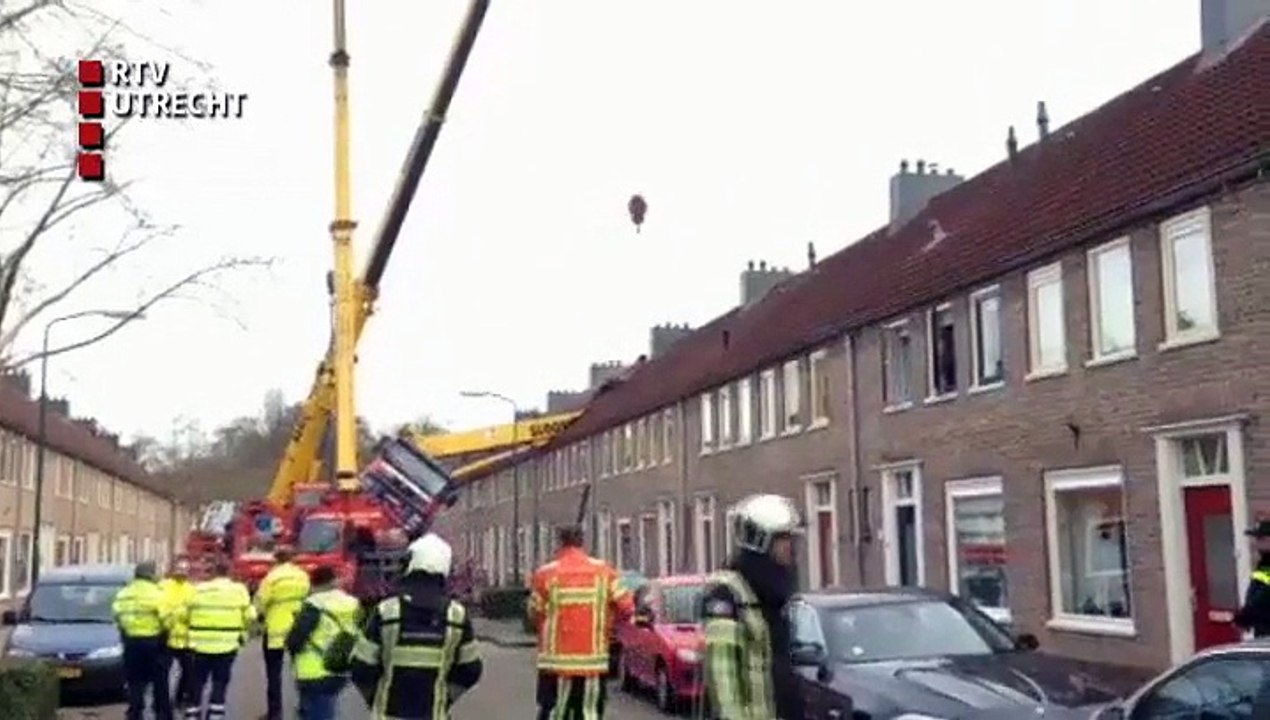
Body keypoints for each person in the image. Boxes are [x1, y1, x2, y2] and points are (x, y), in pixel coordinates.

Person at [349, 533, 483, 719]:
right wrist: (445, 699)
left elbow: (361, 667)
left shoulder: (387, 612)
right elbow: (471, 669)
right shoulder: (456, 615)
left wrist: (375, 699)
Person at [701, 494, 804, 720]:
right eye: (782, 538)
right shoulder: (727, 595)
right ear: (761, 541)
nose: (790, 547)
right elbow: (723, 679)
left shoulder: (776, 594)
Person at [527, 524, 634, 720]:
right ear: (582, 542)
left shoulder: (545, 574)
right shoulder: (605, 572)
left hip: (554, 663)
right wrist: (609, 626)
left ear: (560, 542)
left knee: (553, 712)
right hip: (592, 662)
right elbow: (626, 608)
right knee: (588, 713)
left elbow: (534, 613)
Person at [285, 564, 361, 720]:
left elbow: (296, 639)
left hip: (313, 669)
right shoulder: (353, 602)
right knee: (324, 706)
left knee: (317, 711)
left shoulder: (314, 604)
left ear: (314, 584)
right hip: (341, 666)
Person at [184, 559, 256, 720]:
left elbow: (184, 613)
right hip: (227, 643)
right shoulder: (238, 590)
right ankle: (215, 715)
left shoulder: (198, 589)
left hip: (199, 643)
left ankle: (192, 714)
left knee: (197, 682)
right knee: (220, 682)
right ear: (229, 572)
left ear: (213, 573)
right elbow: (251, 615)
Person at [254, 546, 311, 720]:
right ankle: (305, 708)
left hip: (276, 631)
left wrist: (259, 617)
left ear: (276, 559)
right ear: (292, 558)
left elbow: (261, 601)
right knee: (302, 670)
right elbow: (308, 597)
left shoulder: (272, 577)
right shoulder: (302, 575)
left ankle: (275, 713)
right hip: (298, 628)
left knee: (274, 674)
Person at [112, 560, 173, 720]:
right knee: (159, 680)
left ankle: (135, 712)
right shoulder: (157, 593)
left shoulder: (124, 593)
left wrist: (128, 629)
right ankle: (162, 713)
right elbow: (167, 619)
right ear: (151, 575)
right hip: (153, 642)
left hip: (131, 642)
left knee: (135, 681)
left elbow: (116, 615)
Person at [159, 556, 198, 714]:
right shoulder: (163, 586)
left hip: (185, 638)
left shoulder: (192, 589)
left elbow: (194, 610)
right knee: (163, 673)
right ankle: (163, 702)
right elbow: (160, 608)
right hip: (166, 636)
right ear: (172, 569)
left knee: (189, 672)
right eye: (179, 568)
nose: (182, 572)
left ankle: (180, 698)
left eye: (185, 569)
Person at [1235, 519, 1270, 637]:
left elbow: (1264, 596)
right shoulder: (1264, 564)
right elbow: (1257, 591)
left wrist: (1245, 616)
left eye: (1260, 539)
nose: (1256, 543)